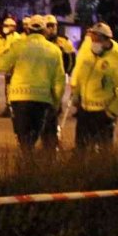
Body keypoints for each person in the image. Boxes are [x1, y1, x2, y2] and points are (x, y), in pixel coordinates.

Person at [0, 15, 66, 151]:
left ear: (28, 30)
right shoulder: (54, 50)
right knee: (41, 135)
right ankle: (43, 167)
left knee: (25, 140)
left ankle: (26, 164)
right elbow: (59, 80)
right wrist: (56, 102)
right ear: (44, 31)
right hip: (42, 100)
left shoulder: (18, 46)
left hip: (19, 98)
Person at [72, 22, 118, 149]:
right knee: (80, 149)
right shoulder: (88, 54)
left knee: (103, 153)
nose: (94, 43)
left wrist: (111, 112)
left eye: (97, 40)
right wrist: (76, 95)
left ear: (106, 40)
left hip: (102, 114)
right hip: (84, 111)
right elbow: (80, 76)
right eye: (92, 39)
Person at [39, 14, 77, 149]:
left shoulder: (63, 42)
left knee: (55, 109)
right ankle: (46, 139)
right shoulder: (39, 42)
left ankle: (52, 140)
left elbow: (72, 59)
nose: (51, 29)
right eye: (48, 26)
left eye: (53, 25)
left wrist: (68, 73)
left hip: (56, 81)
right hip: (41, 81)